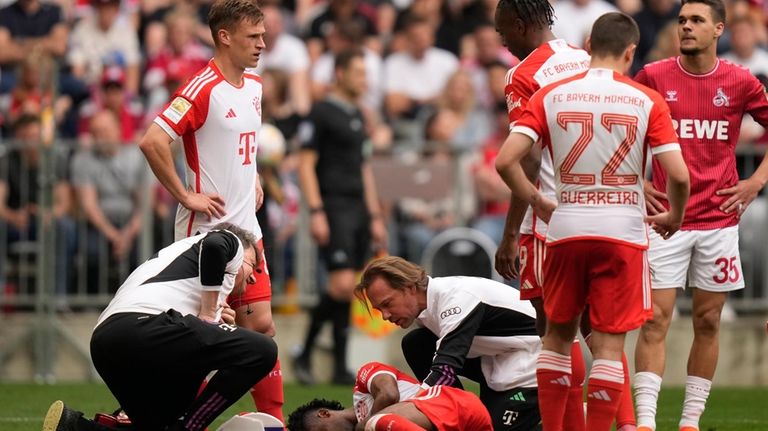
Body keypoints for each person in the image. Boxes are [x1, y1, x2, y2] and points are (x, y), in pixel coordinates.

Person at [494, 12, 690, 431]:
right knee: (607, 342)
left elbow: (509, 159)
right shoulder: (643, 97)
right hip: (622, 231)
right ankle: (619, 425)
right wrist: (673, 213)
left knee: (555, 337)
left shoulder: (547, 91)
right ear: (630, 51)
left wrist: (536, 202)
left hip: (561, 227)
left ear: (590, 43)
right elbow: (678, 174)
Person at [138, 0, 285, 423]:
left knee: (261, 330)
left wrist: (251, 174)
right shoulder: (201, 87)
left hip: (248, 232)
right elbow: (152, 141)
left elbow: (242, 146)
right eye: (253, 37)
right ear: (224, 36)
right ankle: (171, 417)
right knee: (202, 341)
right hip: (206, 237)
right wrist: (186, 195)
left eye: (263, 35)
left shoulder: (254, 86)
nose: (262, 44)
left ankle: (275, 421)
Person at [632, 1, 768, 430]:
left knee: (708, 320)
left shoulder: (741, 81)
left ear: (719, 30)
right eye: (682, 21)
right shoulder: (653, 76)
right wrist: (639, 181)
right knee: (655, 319)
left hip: (719, 220)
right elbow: (624, 128)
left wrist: (756, 181)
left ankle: (690, 422)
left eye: (697, 21)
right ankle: (648, 421)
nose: (686, 27)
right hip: (665, 220)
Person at [493, 1, 620, 430]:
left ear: (520, 23)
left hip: (549, 219)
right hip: (605, 213)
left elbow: (523, 160)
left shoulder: (523, 75)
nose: (501, 40)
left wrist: (510, 234)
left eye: (503, 30)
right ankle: (629, 425)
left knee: (555, 337)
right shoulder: (588, 61)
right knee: (599, 333)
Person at [41, 223, 278, 431]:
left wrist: (215, 325)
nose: (253, 279)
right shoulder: (229, 240)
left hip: (106, 342)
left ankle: (73, 425)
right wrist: (208, 316)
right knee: (263, 350)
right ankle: (189, 428)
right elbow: (217, 246)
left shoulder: (180, 265)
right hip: (142, 329)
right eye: (253, 265)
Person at [355, 256, 541, 431]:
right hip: (498, 360)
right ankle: (452, 415)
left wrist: (402, 412)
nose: (385, 315)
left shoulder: (455, 300)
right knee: (416, 343)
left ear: (409, 287)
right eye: (380, 309)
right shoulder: (427, 305)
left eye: (388, 304)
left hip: (532, 361)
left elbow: (445, 370)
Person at [293, 48, 387, 386]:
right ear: (340, 74)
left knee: (348, 288)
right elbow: (305, 164)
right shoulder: (320, 113)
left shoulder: (360, 115)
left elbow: (365, 168)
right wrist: (316, 211)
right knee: (342, 284)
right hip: (333, 206)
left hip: (359, 208)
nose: (364, 79)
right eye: (359, 72)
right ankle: (304, 351)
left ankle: (338, 365)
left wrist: (375, 215)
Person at [287, 361, 493, 431]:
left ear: (324, 414)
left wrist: (365, 424)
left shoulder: (362, 385)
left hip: (452, 405)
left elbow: (389, 393)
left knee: (375, 423)